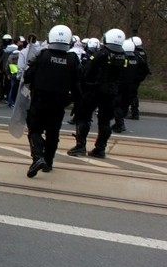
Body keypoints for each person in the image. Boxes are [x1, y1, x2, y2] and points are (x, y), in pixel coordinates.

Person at [22, 25, 81, 177]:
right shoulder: (73, 59)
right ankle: (48, 161)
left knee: (34, 130)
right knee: (53, 133)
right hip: (59, 103)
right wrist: (73, 100)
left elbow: (28, 76)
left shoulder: (43, 55)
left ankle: (38, 156)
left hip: (39, 101)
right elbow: (78, 84)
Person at [67, 28, 126, 158]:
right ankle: (100, 148)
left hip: (94, 90)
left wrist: (82, 85)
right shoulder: (123, 55)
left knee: (84, 117)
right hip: (112, 92)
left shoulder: (102, 53)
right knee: (105, 121)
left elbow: (87, 69)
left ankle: (80, 146)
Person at [128, 36, 151, 119]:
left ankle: (134, 113)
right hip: (139, 77)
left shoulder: (136, 53)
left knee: (132, 94)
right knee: (133, 94)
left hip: (135, 77)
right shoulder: (143, 52)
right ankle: (133, 111)